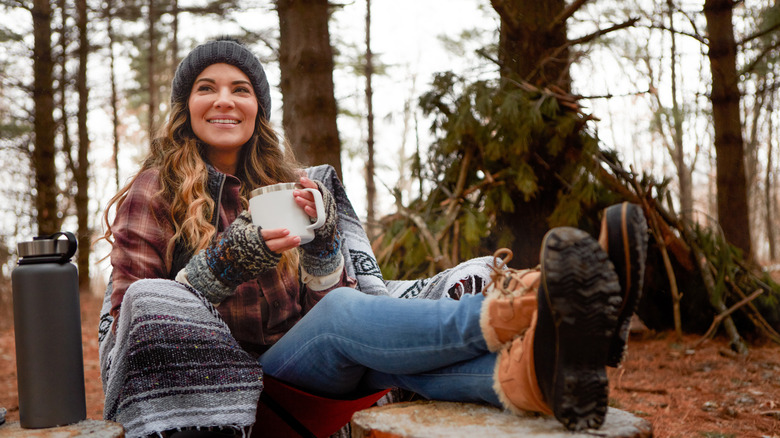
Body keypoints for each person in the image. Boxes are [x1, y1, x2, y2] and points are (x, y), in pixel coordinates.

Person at [98, 37, 648, 437]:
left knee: (385, 348)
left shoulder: (289, 184)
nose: (225, 100)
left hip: (301, 369)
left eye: (241, 89)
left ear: (258, 107)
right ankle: (538, 299)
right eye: (206, 88)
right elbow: (133, 321)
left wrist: (321, 244)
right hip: (224, 394)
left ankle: (548, 378)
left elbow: (316, 302)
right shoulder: (156, 189)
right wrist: (229, 260)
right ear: (185, 106)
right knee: (342, 316)